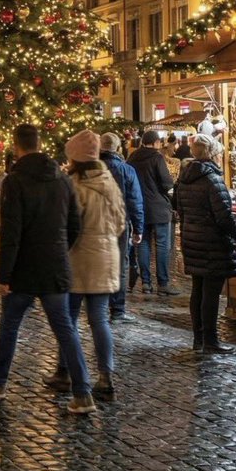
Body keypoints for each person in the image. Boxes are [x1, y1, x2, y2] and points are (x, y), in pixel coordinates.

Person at [0, 123, 95, 414]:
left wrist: (4, 274)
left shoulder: (15, 181)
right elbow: (76, 225)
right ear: (39, 144)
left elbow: (12, 233)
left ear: (17, 146)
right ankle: (83, 393)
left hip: (25, 269)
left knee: (10, 325)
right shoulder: (63, 180)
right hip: (55, 266)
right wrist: (58, 250)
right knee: (65, 329)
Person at [47, 130, 125, 401]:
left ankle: (65, 371)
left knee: (67, 320)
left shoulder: (73, 185)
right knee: (99, 319)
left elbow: (68, 227)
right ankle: (106, 376)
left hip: (78, 260)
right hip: (106, 258)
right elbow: (120, 222)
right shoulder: (109, 181)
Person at [172, 133, 236, 355]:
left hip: (193, 240)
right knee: (211, 293)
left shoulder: (184, 178)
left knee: (199, 289)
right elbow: (223, 216)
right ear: (212, 153)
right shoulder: (212, 179)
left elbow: (180, 210)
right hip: (213, 243)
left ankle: (199, 339)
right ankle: (211, 341)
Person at [99, 132, 144, 323]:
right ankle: (117, 309)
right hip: (119, 223)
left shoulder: (91, 169)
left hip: (95, 223)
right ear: (118, 148)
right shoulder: (126, 170)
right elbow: (135, 201)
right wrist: (138, 228)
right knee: (119, 265)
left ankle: (98, 307)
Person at [128, 129, 180, 295]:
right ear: (156, 142)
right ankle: (163, 283)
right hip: (158, 208)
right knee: (162, 245)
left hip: (139, 207)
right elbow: (166, 183)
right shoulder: (157, 157)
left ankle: (146, 283)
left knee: (142, 244)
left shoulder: (132, 158)